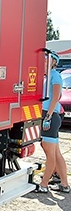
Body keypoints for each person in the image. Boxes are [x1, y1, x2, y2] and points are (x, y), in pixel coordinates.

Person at [34, 52, 70, 193]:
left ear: (53, 62)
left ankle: (43, 185)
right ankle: (64, 184)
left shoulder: (55, 76)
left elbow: (55, 97)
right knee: (55, 153)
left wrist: (47, 117)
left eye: (46, 60)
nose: (43, 62)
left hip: (50, 115)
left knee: (50, 154)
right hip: (48, 114)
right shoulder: (47, 76)